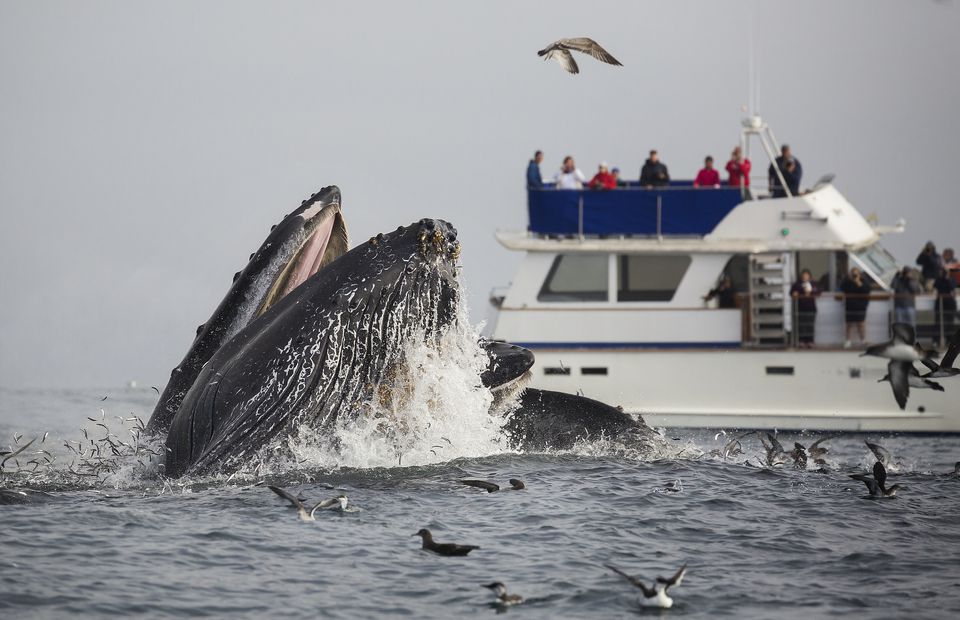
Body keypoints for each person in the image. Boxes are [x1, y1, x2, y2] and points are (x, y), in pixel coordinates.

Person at [839, 267, 871, 348]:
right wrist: (848, 279)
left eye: (856, 274)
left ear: (859, 274)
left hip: (861, 306)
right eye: (853, 274)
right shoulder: (847, 281)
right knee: (848, 325)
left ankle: (863, 340)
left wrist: (858, 282)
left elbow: (866, 291)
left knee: (861, 324)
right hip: (849, 306)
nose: (854, 275)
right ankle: (848, 341)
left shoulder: (864, 281)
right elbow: (842, 288)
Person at [790, 269, 820, 348]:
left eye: (806, 275)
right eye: (803, 275)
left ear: (809, 276)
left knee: (810, 324)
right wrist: (796, 293)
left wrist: (810, 293)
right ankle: (801, 341)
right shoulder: (797, 284)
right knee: (801, 325)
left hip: (811, 307)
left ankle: (810, 341)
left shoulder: (813, 283)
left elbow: (818, 292)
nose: (805, 276)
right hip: (800, 307)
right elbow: (792, 292)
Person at [933, 267, 957, 343]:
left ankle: (949, 340)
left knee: (950, 323)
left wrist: (947, 279)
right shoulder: (938, 279)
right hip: (940, 304)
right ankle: (936, 340)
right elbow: (935, 286)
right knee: (938, 322)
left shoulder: (952, 279)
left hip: (950, 304)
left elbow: (952, 288)